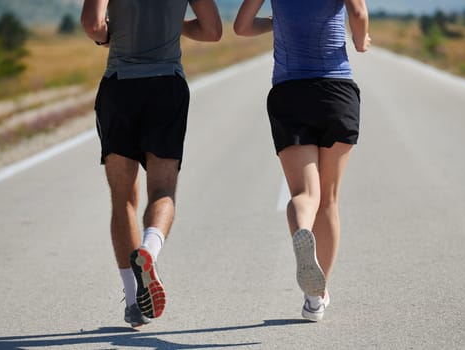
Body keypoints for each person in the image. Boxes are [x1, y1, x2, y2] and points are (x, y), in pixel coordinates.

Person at [81, 0, 222, 327]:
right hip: (166, 87)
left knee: (123, 199)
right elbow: (213, 31)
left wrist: (107, 37)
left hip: (119, 87)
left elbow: (92, 24)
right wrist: (175, 26)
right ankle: (149, 250)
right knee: (163, 191)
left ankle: (134, 302)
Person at [234, 0, 370, 321]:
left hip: (290, 93)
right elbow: (359, 13)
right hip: (337, 91)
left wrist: (275, 21)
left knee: (304, 194)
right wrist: (361, 41)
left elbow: (241, 26)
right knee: (329, 200)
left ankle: (302, 234)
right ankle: (316, 297)